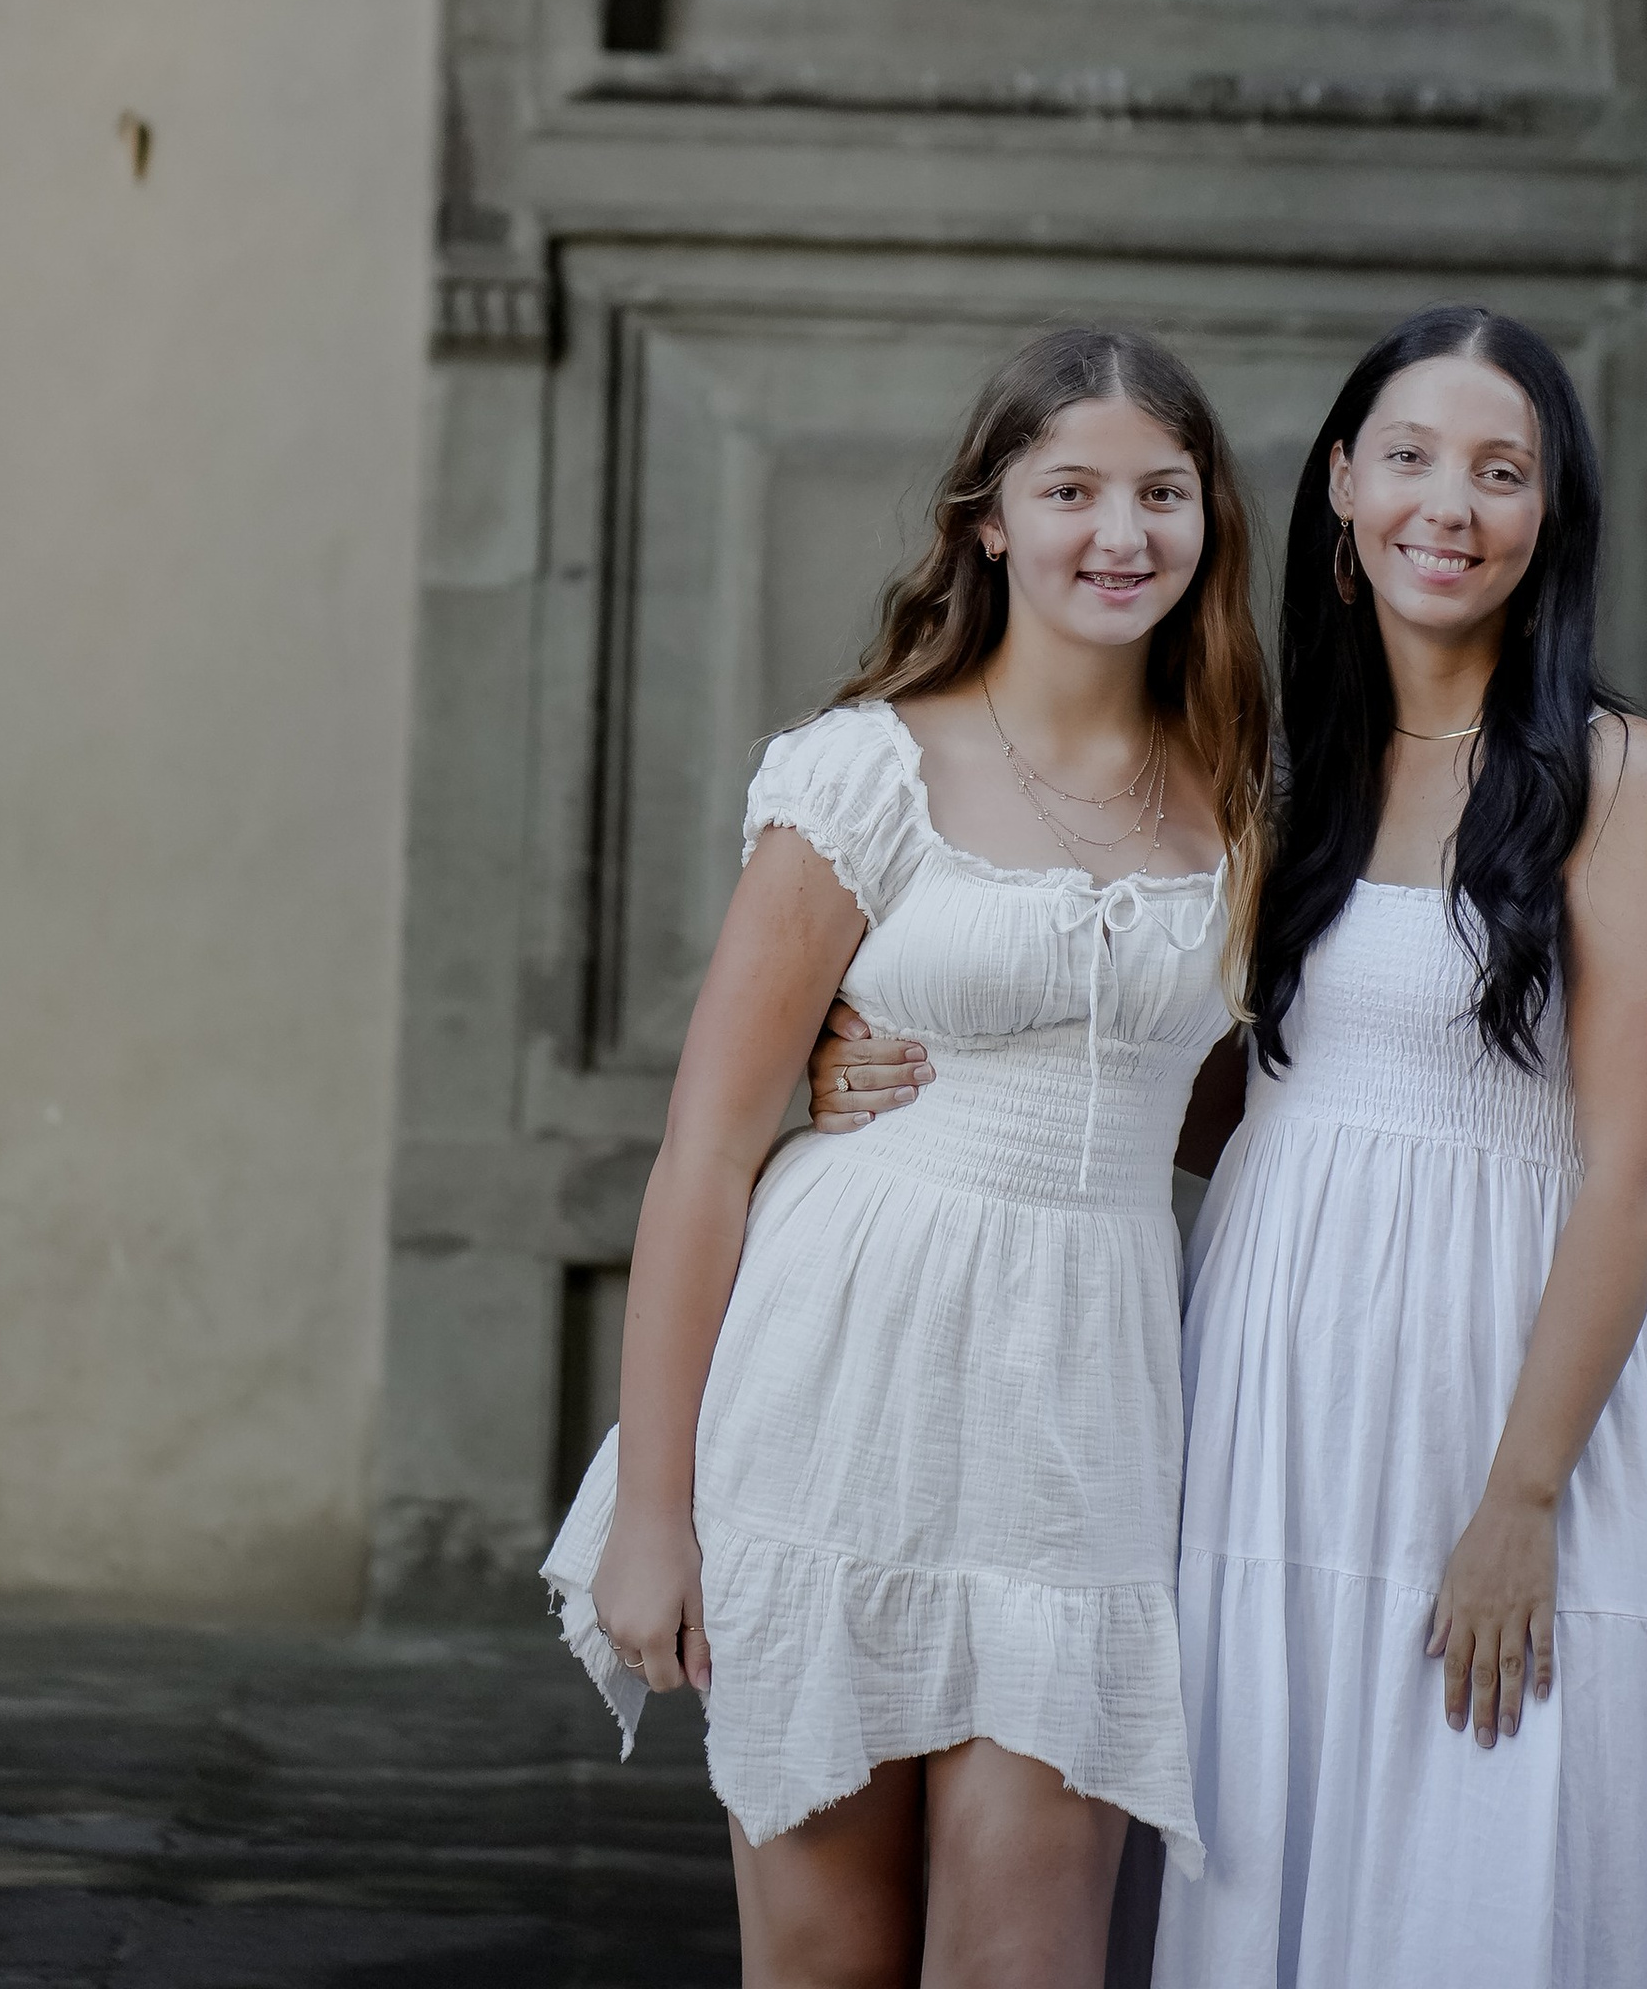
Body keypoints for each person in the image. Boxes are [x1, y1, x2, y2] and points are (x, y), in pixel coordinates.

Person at [815, 308, 1647, 1989]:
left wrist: (1520, 1498)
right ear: (1337, 491)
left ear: (1548, 517)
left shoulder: (1607, 775)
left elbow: (1643, 1162)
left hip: (1499, 1388)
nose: (1449, 504)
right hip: (1266, 1380)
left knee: (1472, 1857)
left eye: (1501, 470)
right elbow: (1200, 1081)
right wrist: (876, 1049)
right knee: (1260, 1828)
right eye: (1412, 457)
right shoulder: (1267, 775)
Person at [542, 326, 1271, 1988]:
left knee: (1030, 1960)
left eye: (1162, 492)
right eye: (1070, 488)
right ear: (990, 519)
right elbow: (706, 1153)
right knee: (823, 1962)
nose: (1121, 531)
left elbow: (1232, 1113)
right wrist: (658, 1510)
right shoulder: (865, 768)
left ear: (1208, 522)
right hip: (843, 1385)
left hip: (1080, 1421)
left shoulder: (1238, 802)